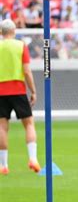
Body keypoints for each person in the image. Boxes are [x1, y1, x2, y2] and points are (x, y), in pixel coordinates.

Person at [0, 19, 41, 175]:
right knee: (29, 124)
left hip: (1, 90)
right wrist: (33, 90)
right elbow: (27, 71)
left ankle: (3, 165)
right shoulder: (20, 45)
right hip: (17, 89)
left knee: (2, 127)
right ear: (14, 31)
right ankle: (33, 159)